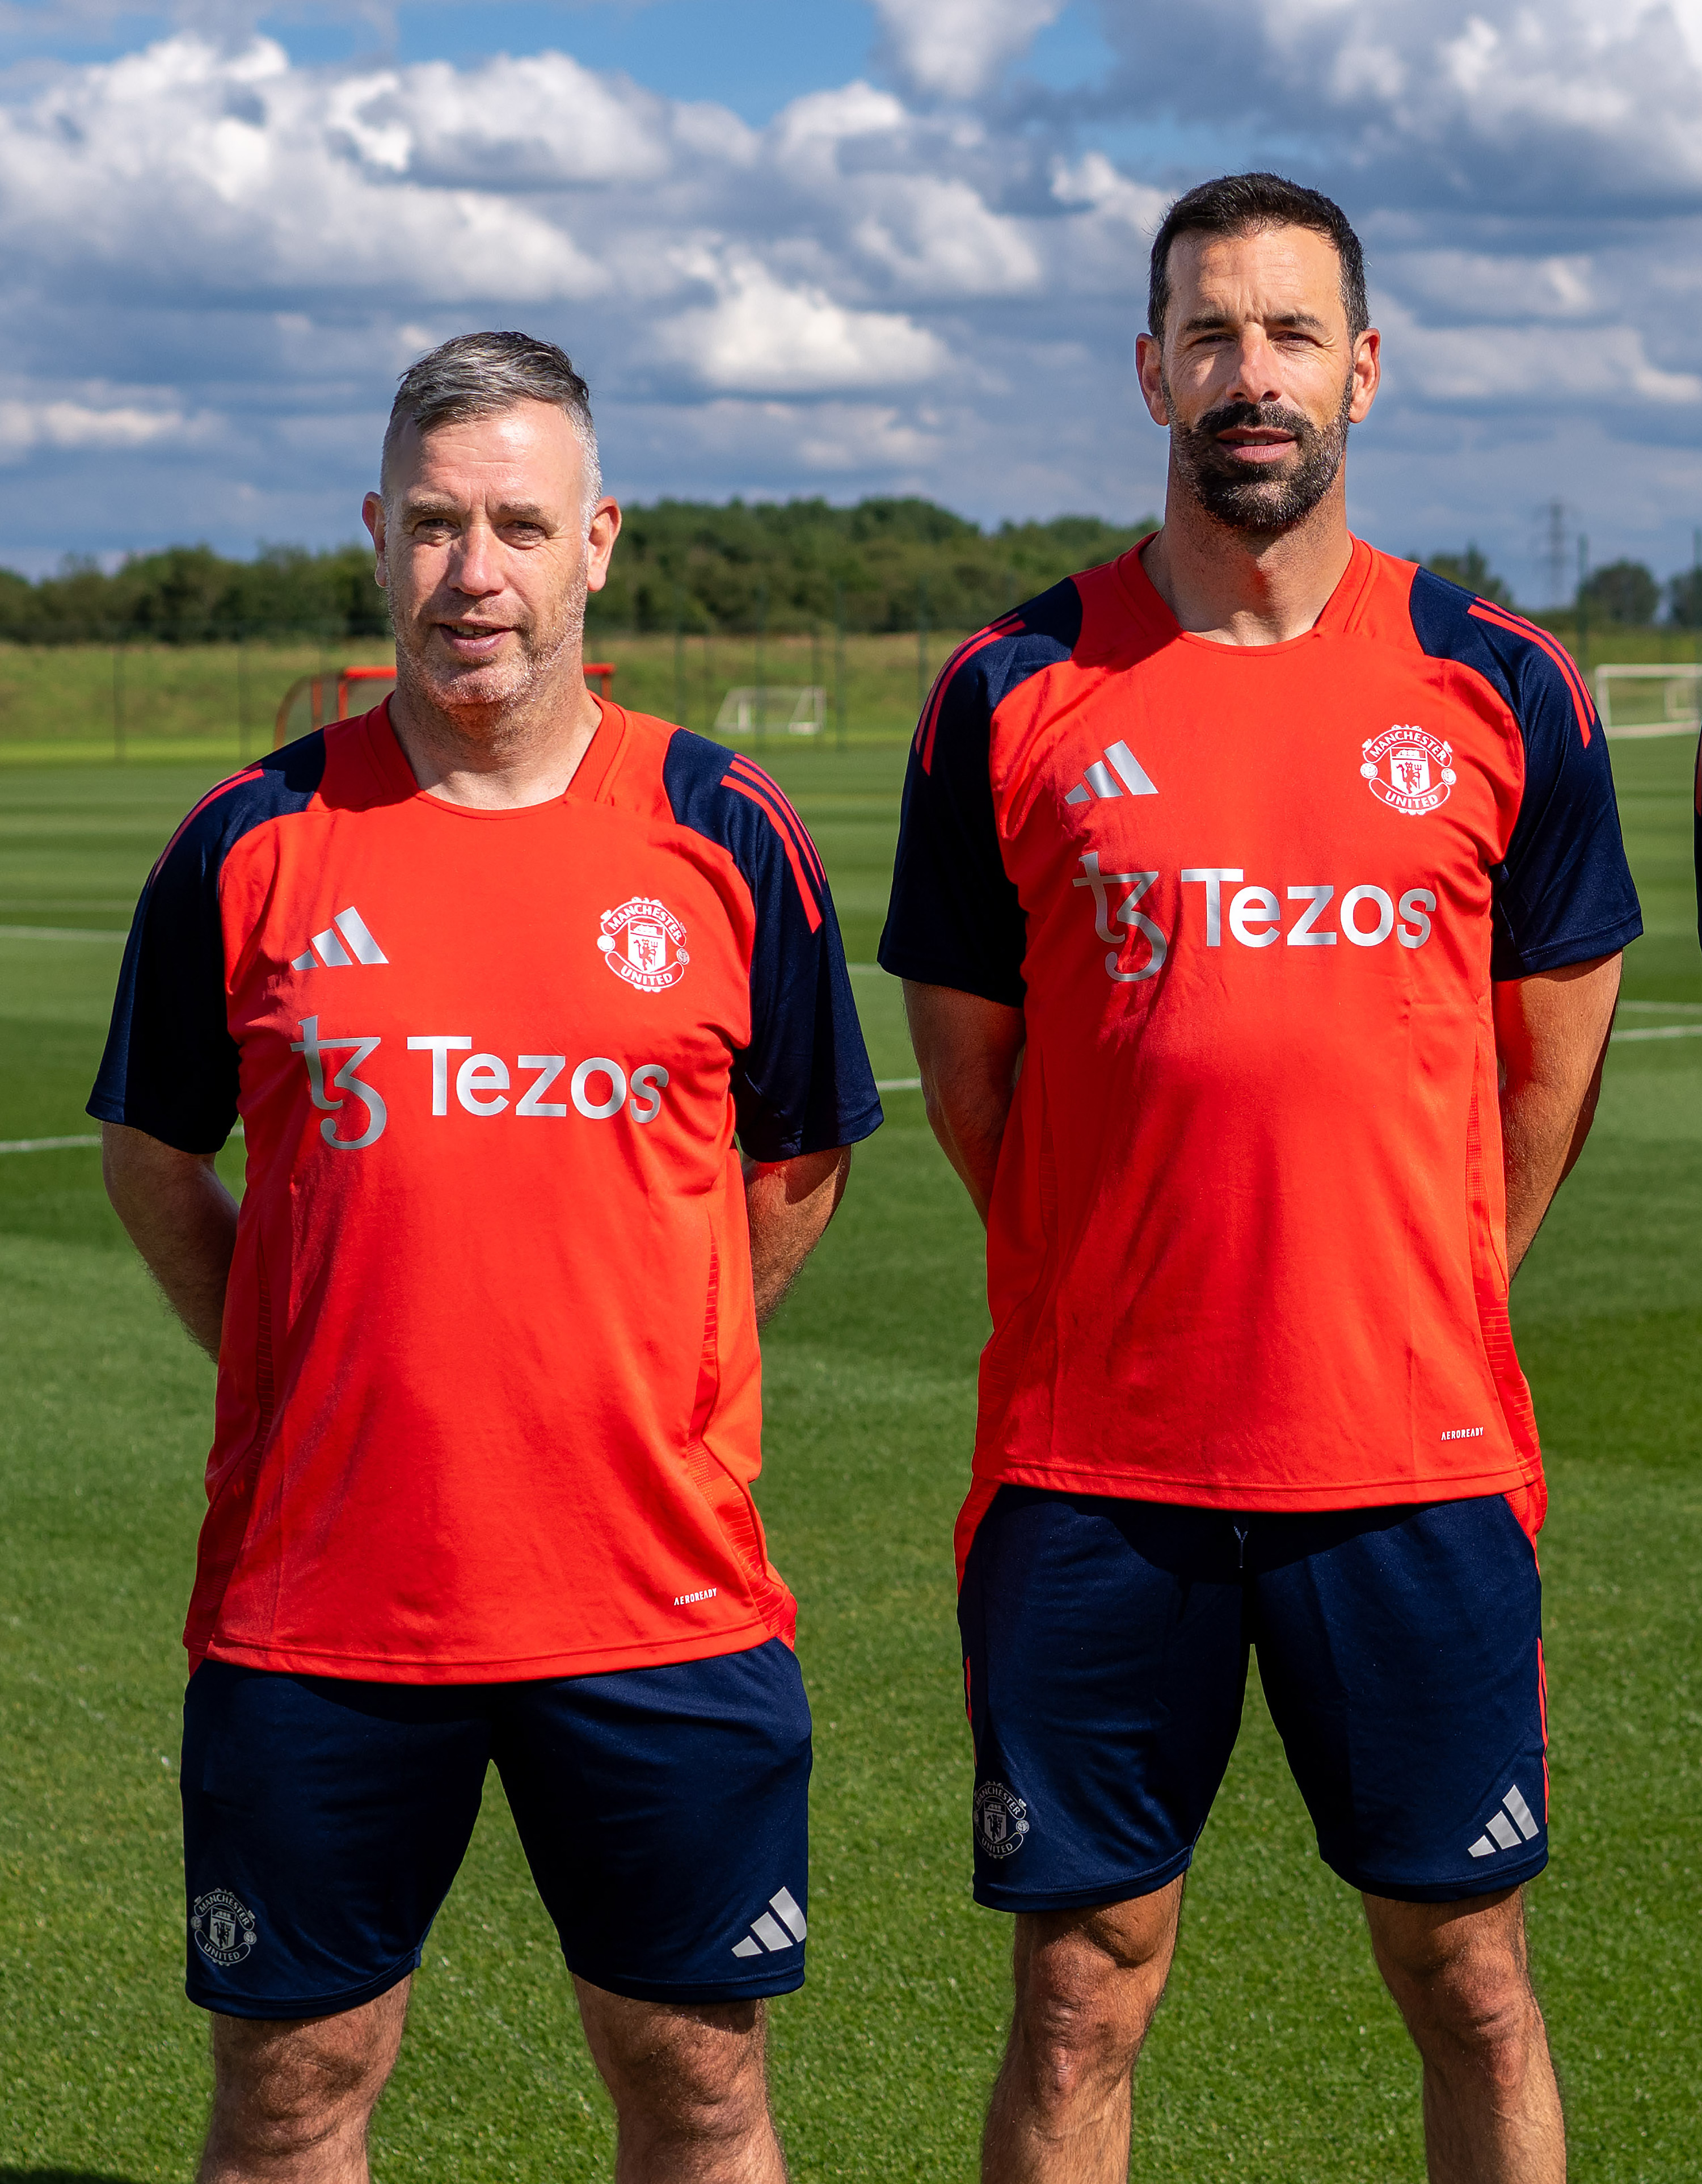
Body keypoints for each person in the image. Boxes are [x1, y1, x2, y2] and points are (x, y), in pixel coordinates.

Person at [879, 173, 1638, 2183]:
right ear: (1151, 369)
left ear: (1364, 373)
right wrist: (1118, 1269)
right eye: (1211, 333)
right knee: (1079, 1990)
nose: (1251, 374)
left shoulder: (1506, 685)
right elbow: (977, 1088)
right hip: (1097, 1468)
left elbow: (1553, 1055)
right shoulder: (1008, 693)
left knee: (1469, 1969)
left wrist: (1427, 1279)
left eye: (1292, 334)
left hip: (1416, 1456)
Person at [91, 330, 881, 2184]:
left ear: (597, 540)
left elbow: (799, 1162)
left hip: (657, 1596)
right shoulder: (248, 842)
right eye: (438, 524)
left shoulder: (730, 835)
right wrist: (308, 1359)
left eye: (519, 523)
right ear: (378, 536)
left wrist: (648, 1372)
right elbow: (149, 1158)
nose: (477, 572)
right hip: (324, 1607)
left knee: (698, 2089)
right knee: (293, 2095)